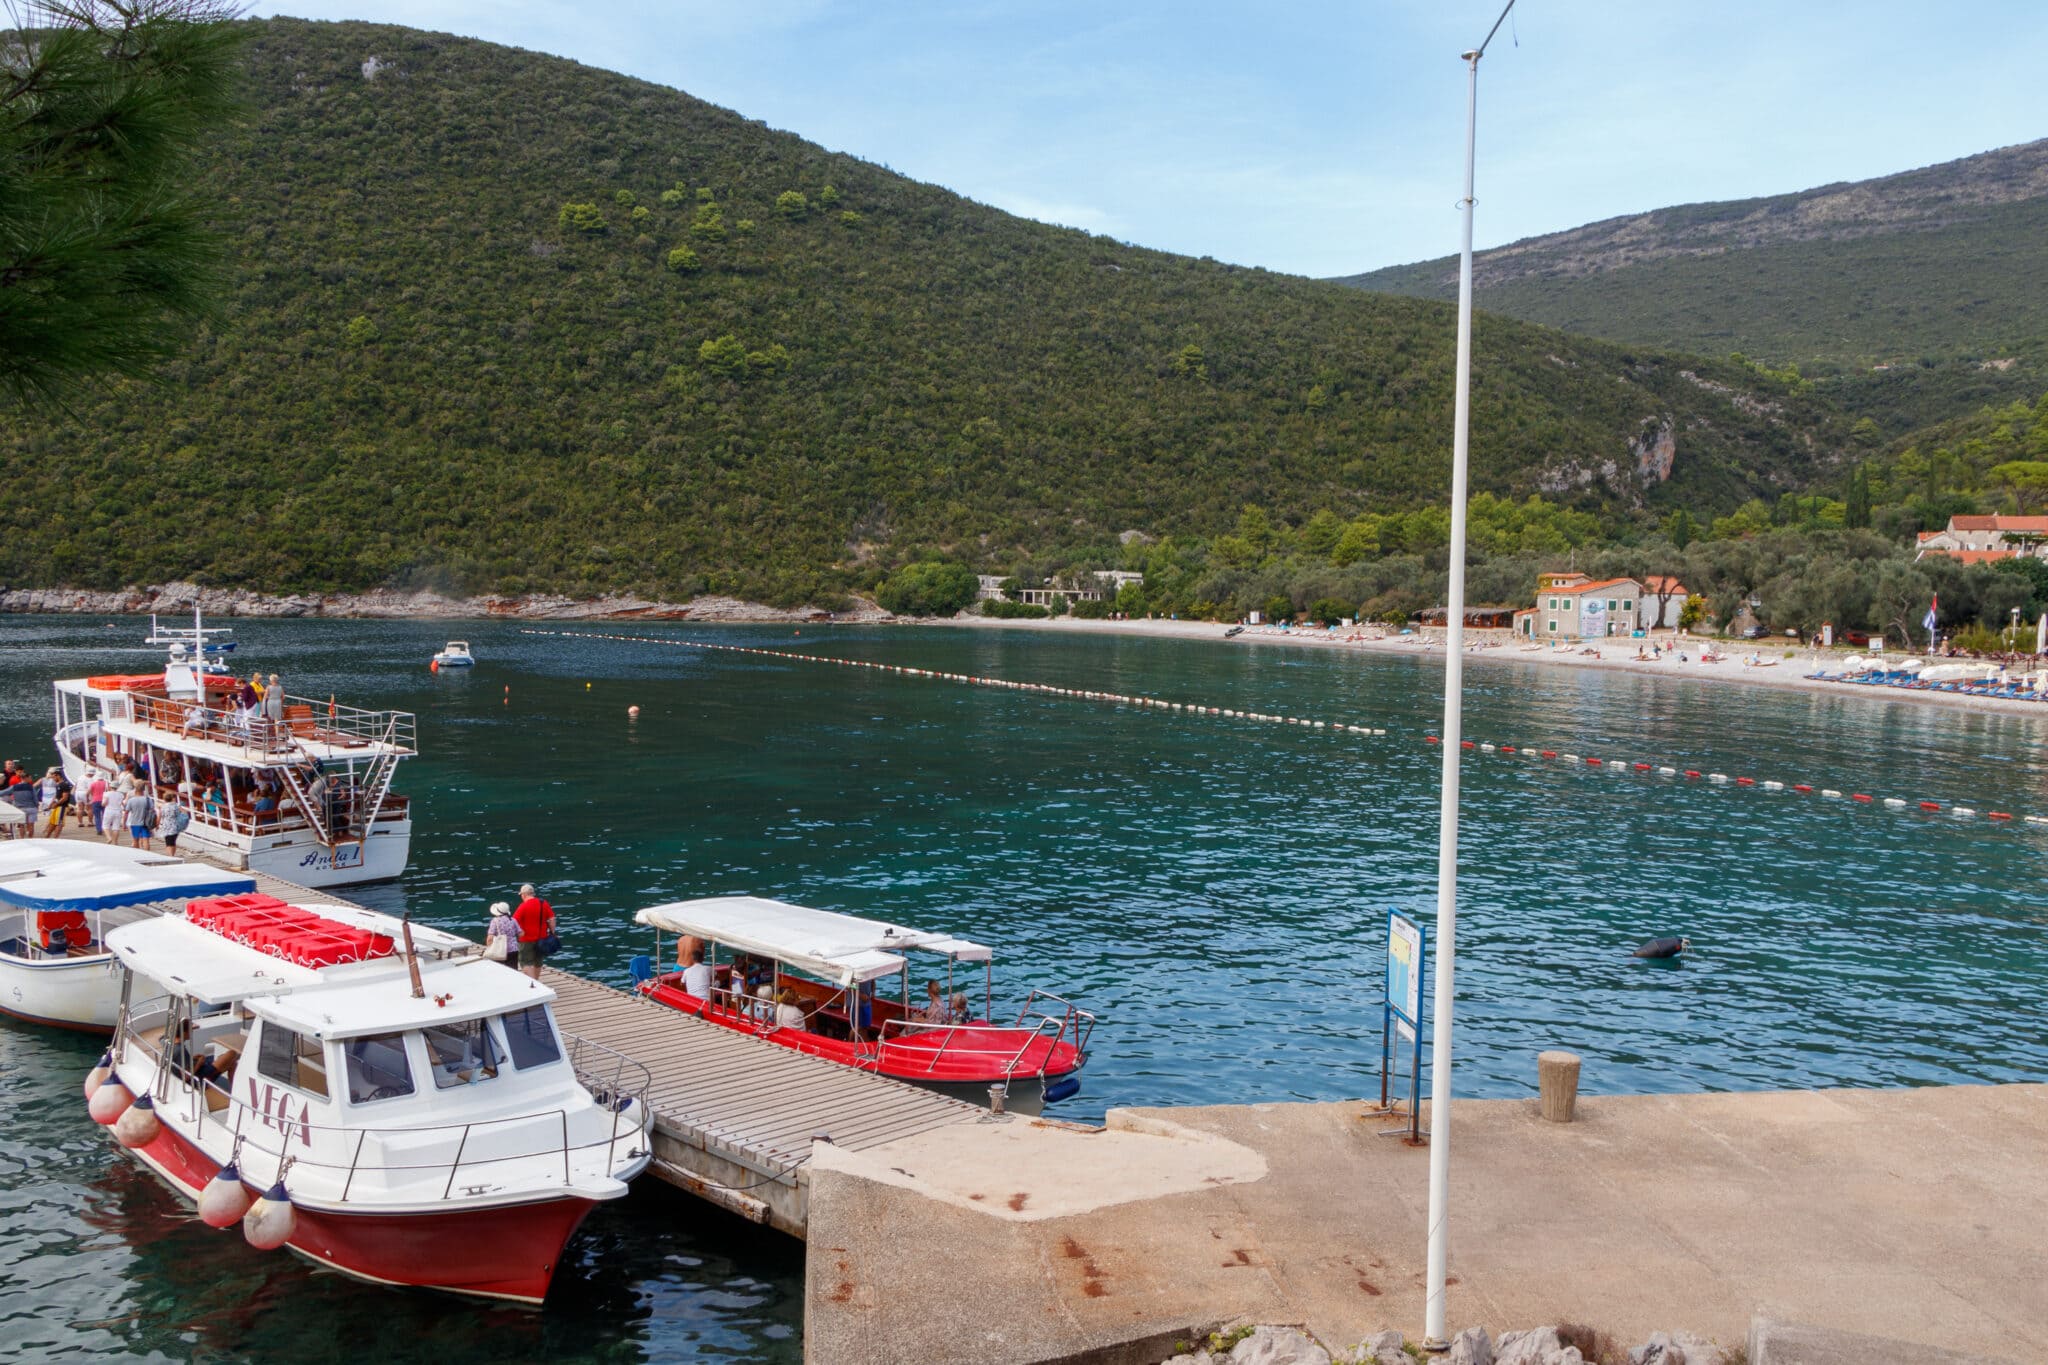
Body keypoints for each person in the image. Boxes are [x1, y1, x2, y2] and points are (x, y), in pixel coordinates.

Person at [512, 882, 554, 980]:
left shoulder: (523, 906)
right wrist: (552, 932)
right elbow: (552, 919)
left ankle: (533, 982)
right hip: (542, 938)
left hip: (526, 939)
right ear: (533, 893)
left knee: (525, 962)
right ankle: (536, 980)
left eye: (521, 895)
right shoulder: (543, 903)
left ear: (524, 894)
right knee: (538, 961)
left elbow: (514, 922)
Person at [157, 786, 192, 853]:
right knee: (173, 842)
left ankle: (170, 856)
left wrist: (157, 825)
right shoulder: (176, 806)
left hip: (166, 826)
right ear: (172, 798)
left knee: (168, 843)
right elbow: (185, 812)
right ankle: (172, 855)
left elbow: (159, 816)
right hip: (175, 826)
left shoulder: (163, 807)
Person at [124, 784, 156, 850]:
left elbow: (126, 813)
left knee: (135, 840)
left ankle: (138, 854)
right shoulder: (148, 800)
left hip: (135, 823)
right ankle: (147, 854)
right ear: (143, 790)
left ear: (135, 790)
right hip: (145, 823)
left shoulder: (131, 800)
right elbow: (152, 811)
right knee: (146, 840)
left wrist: (124, 823)